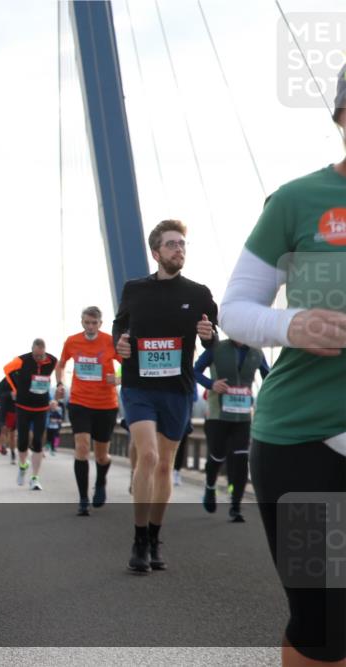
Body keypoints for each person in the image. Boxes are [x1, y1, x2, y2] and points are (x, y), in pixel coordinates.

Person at [217, 66, 346, 665]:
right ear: (342, 116)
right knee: (324, 627)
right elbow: (236, 309)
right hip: (305, 442)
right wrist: (289, 325)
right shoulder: (299, 201)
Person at [113, 219, 218, 573]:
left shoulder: (198, 293)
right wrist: (120, 343)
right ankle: (139, 539)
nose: (179, 249)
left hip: (177, 390)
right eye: (172, 244)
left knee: (163, 465)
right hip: (138, 385)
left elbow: (211, 337)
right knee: (148, 455)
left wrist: (208, 335)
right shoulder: (134, 289)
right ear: (156, 252)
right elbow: (120, 325)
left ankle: (155, 536)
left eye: (183, 244)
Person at [193, 339, 269, 522]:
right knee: (217, 456)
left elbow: (269, 377)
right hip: (217, 415)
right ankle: (210, 487)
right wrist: (212, 384)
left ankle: (236, 506)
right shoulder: (216, 348)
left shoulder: (257, 352)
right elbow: (194, 371)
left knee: (241, 457)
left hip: (242, 417)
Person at [55, 306, 121, 516]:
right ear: (82, 322)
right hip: (80, 402)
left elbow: (129, 364)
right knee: (82, 448)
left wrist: (118, 379)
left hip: (106, 405)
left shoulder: (110, 341)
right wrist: (59, 383)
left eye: (94, 323)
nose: (90, 327)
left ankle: (100, 481)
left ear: (100, 324)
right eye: (87, 323)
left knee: (101, 456)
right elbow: (61, 364)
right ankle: (83, 499)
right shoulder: (72, 341)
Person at [4, 339, 58, 490]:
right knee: (22, 441)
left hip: (41, 407)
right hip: (23, 406)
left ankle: (35, 477)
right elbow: (7, 369)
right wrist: (16, 388)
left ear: (45, 352)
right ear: (32, 351)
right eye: (35, 355)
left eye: (41, 356)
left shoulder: (52, 361)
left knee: (37, 442)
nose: (38, 359)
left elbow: (50, 380)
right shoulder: (22, 360)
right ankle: (22, 466)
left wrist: (53, 398)